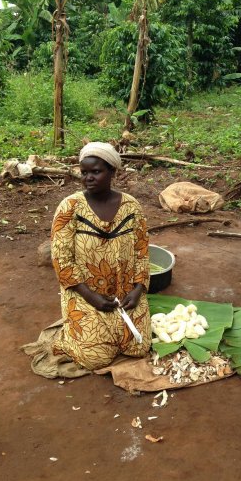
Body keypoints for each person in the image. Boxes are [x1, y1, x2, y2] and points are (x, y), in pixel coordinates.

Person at [51, 142, 151, 370]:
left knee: (139, 346)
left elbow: (142, 251)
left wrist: (138, 290)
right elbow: (61, 259)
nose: (88, 178)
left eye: (96, 172)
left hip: (125, 292)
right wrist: (90, 296)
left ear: (112, 172)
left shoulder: (131, 207)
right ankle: (69, 337)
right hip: (85, 292)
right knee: (96, 358)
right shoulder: (70, 207)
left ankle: (99, 332)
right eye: (84, 172)